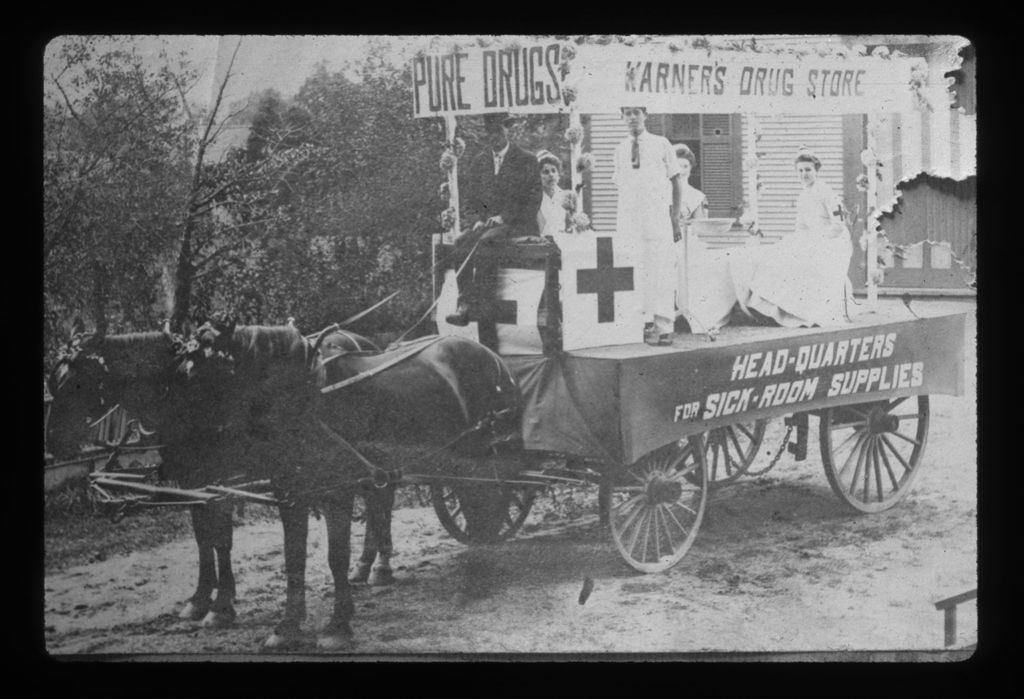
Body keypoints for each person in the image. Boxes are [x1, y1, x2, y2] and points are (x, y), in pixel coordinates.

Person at [445, 112, 542, 345]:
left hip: (518, 224)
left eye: (499, 132)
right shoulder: (480, 161)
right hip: (487, 225)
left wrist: (503, 217)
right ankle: (465, 303)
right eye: (490, 134)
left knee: (486, 242)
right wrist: (478, 218)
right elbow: (472, 199)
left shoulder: (526, 159)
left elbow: (533, 198)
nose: (495, 138)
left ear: (507, 131)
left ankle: (484, 311)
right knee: (461, 242)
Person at [731, 148, 853, 327]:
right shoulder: (803, 194)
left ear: (816, 170)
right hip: (812, 239)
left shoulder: (827, 191)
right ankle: (771, 308)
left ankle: (799, 311)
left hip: (833, 241)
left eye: (808, 170)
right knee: (779, 255)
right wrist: (797, 241)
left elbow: (839, 225)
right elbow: (801, 227)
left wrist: (817, 241)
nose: (804, 174)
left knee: (801, 262)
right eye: (801, 170)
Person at [613, 106, 683, 346]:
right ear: (622, 117)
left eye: (636, 112)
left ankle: (665, 326)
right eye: (627, 113)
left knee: (661, 272)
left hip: (657, 219)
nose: (632, 117)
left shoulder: (661, 144)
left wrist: (674, 218)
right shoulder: (620, 149)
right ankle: (642, 324)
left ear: (646, 115)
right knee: (634, 271)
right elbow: (622, 188)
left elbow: (676, 182)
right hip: (631, 221)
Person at [536, 150, 569, 238]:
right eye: (546, 172)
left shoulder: (566, 196)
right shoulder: (534, 198)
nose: (551, 175)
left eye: (554, 171)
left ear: (559, 174)